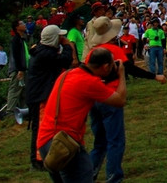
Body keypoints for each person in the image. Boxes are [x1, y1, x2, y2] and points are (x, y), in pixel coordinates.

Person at [85, 15, 166, 183]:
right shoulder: (113, 50)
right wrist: (154, 76)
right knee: (115, 140)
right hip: (111, 97)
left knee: (99, 142)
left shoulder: (91, 53)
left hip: (94, 99)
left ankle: (88, 175)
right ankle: (113, 177)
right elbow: (130, 68)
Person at [37, 47, 127, 182]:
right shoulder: (89, 82)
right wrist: (121, 74)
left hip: (46, 140)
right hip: (66, 144)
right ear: (106, 66)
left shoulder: (66, 74)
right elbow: (120, 100)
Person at [26, 24, 76, 171]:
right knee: (41, 127)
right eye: (59, 36)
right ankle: (37, 160)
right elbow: (65, 61)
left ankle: (42, 157)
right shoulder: (45, 54)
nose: (62, 38)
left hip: (40, 94)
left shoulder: (41, 50)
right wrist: (67, 46)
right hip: (39, 96)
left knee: (43, 126)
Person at [6, 19, 31, 124]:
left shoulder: (22, 39)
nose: (24, 25)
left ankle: (24, 111)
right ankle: (10, 112)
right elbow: (17, 56)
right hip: (18, 70)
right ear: (17, 27)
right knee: (15, 90)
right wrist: (20, 69)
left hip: (24, 69)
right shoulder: (16, 39)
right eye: (21, 23)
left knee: (24, 91)